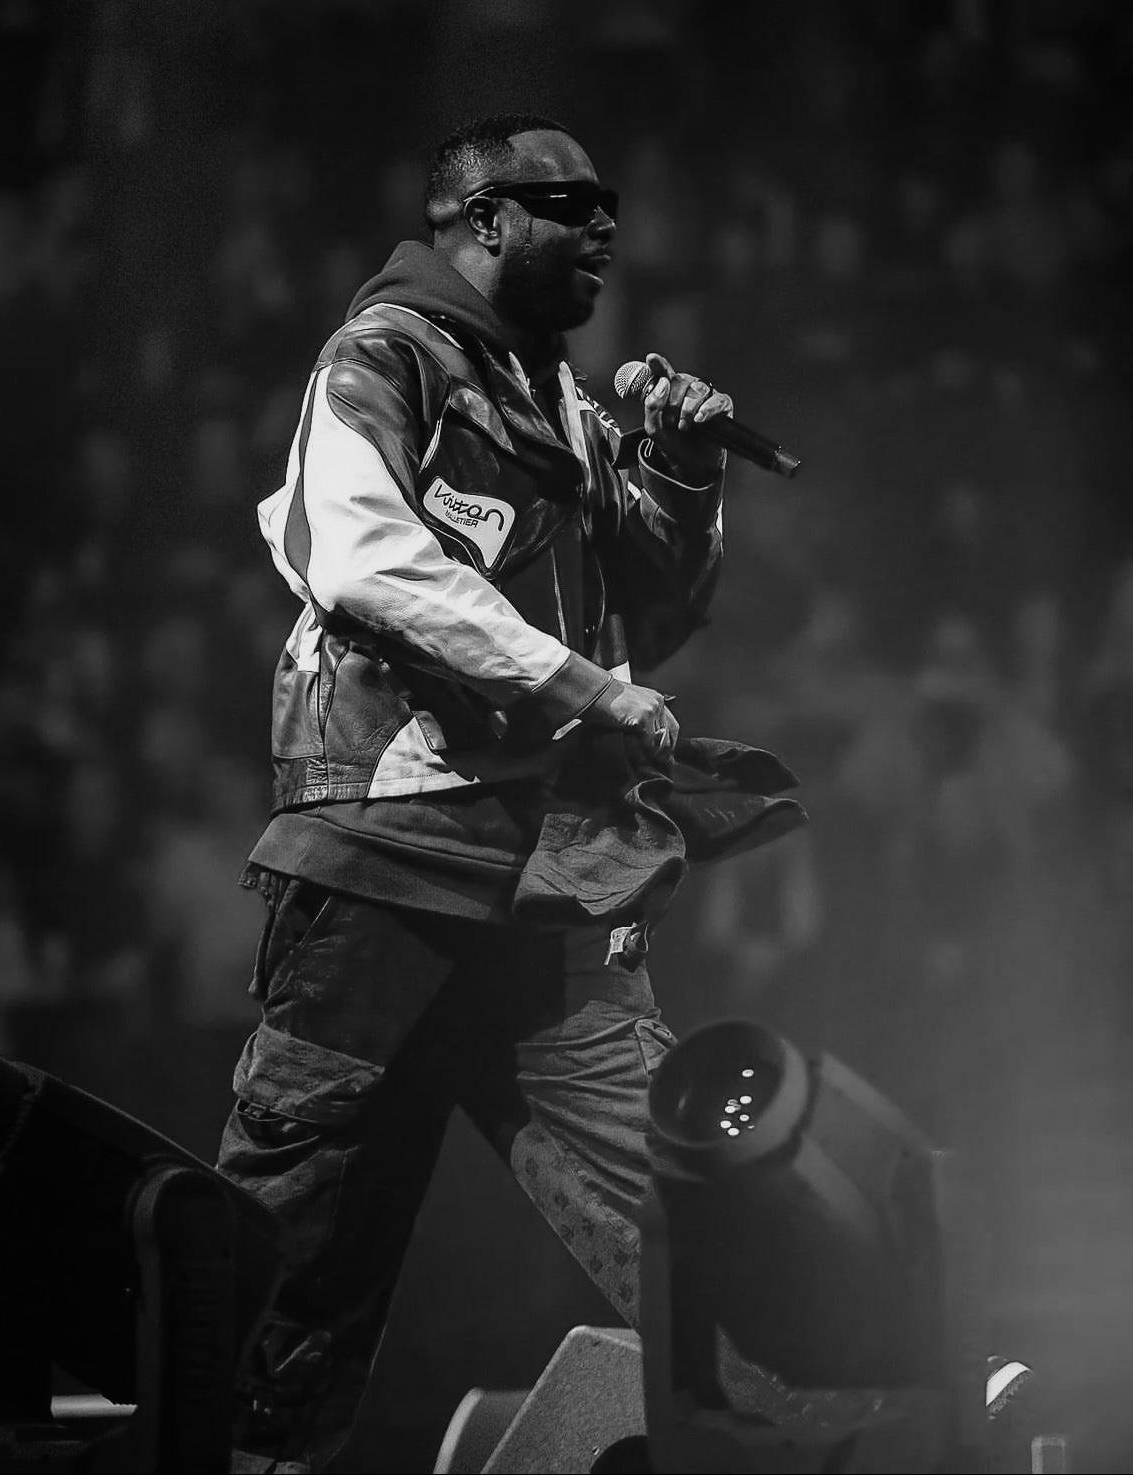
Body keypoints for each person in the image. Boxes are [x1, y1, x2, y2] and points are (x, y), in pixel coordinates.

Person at [218, 113, 773, 1474]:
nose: (604, 226)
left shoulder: (558, 398)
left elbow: (652, 611)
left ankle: (827, 1417)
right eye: (569, 203)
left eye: (609, 203)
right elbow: (361, 559)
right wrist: (582, 690)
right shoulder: (384, 356)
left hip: (546, 879)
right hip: (384, 867)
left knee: (675, 1190)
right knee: (296, 1258)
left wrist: (682, 468)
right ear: (482, 220)